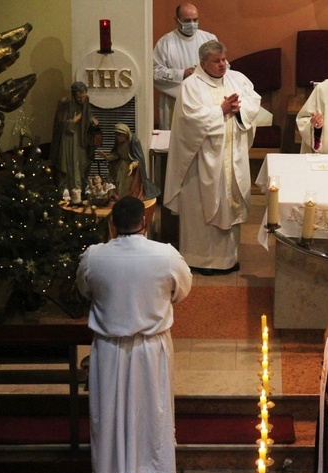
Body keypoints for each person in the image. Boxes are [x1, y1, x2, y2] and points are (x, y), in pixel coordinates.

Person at [77, 196, 192, 473]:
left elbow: (84, 289)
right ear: (145, 221)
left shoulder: (94, 257)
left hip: (109, 351)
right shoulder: (165, 256)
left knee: (109, 415)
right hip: (150, 349)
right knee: (153, 415)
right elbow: (182, 290)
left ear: (111, 224)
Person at [163, 40, 260, 276]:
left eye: (224, 59)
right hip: (201, 160)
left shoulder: (237, 79)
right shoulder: (191, 85)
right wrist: (220, 111)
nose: (222, 64)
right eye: (216, 61)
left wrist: (239, 109)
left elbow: (253, 100)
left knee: (230, 205)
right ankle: (200, 260)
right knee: (201, 210)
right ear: (203, 63)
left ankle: (229, 258)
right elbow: (189, 119)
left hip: (232, 155)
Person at [152, 2, 219, 130]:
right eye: (187, 21)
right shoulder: (166, 42)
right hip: (175, 101)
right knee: (174, 143)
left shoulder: (209, 39)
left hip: (204, 101)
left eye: (195, 20)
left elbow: (224, 66)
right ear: (177, 21)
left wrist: (207, 71)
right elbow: (154, 72)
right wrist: (183, 73)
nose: (192, 24)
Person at [50, 81, 99, 191]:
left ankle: (80, 186)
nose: (82, 100)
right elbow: (61, 122)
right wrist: (74, 120)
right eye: (79, 97)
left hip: (82, 134)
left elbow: (87, 112)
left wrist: (92, 119)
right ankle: (69, 188)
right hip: (68, 136)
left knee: (82, 160)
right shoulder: (65, 102)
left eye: (83, 97)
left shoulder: (85, 100)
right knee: (70, 160)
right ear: (74, 95)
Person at [99, 123, 161, 200]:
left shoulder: (134, 142)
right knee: (118, 185)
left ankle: (127, 200)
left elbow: (139, 159)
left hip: (130, 169)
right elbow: (117, 154)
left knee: (128, 186)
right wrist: (107, 157)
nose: (118, 138)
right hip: (120, 167)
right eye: (117, 135)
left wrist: (132, 165)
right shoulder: (118, 142)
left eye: (120, 135)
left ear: (126, 135)